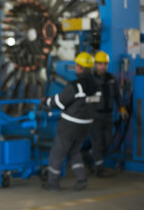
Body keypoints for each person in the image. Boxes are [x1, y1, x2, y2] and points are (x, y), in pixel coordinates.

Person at [41, 51, 101, 191]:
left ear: (80, 67)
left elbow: (59, 102)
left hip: (69, 126)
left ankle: (52, 184)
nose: (75, 68)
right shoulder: (96, 85)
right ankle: (81, 179)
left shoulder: (76, 85)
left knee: (56, 154)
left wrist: (46, 101)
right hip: (85, 126)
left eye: (76, 65)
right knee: (74, 152)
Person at [89, 51, 128, 177]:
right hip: (95, 115)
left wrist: (121, 107)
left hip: (108, 115)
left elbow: (117, 94)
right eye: (100, 64)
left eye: (105, 64)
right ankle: (99, 168)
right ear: (95, 64)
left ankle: (91, 155)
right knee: (97, 142)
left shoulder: (111, 78)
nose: (103, 66)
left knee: (108, 141)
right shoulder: (91, 79)